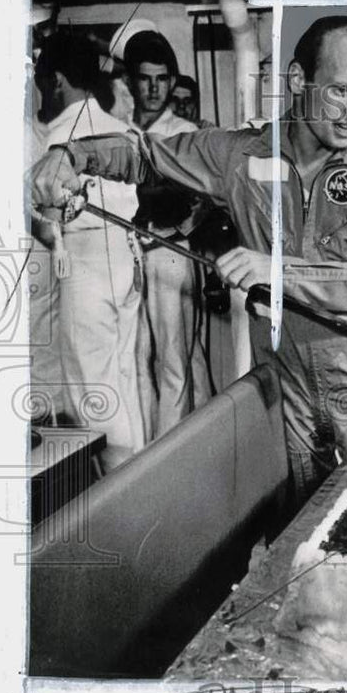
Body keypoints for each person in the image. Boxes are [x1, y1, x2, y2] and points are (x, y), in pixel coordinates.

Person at [31, 16, 347, 507]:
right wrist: (71, 155)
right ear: (300, 81)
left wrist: (276, 270)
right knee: (297, 531)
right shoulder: (241, 156)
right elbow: (147, 155)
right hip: (287, 392)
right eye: (342, 90)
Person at [31, 33, 146, 470]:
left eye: (43, 81)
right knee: (124, 379)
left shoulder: (55, 141)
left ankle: (121, 513)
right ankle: (140, 485)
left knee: (93, 397)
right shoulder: (122, 130)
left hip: (84, 263)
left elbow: (47, 222)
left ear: (58, 79)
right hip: (128, 260)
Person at [123, 30, 212, 439]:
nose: (155, 88)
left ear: (173, 81)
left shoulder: (183, 132)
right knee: (138, 356)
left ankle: (173, 458)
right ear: (131, 81)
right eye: (146, 79)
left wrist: (179, 230)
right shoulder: (120, 128)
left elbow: (208, 196)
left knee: (175, 361)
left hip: (170, 254)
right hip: (127, 257)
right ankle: (156, 449)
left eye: (162, 79)